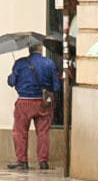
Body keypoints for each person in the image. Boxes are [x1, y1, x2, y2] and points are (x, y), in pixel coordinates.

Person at [9, 42, 60, 170]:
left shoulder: (20, 63)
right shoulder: (49, 63)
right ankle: (43, 161)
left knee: (20, 132)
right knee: (43, 132)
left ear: (29, 49)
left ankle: (22, 161)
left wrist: (13, 74)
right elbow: (56, 87)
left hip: (24, 102)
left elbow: (11, 82)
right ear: (41, 49)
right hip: (43, 103)